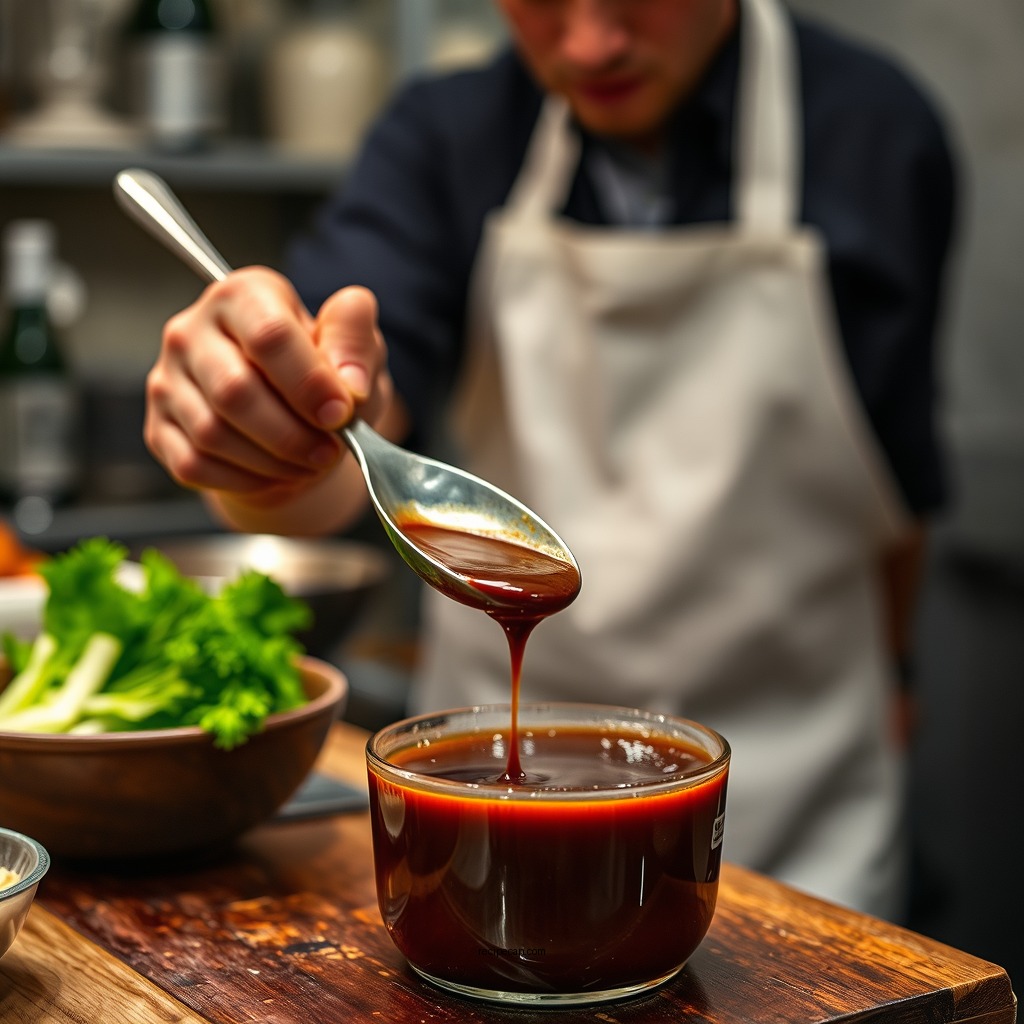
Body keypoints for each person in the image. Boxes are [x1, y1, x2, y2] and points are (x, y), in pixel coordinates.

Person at [144, 0, 957, 921]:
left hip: (801, 812)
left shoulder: (875, 131)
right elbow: (349, 402)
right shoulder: (447, 134)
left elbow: (895, 475)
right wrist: (270, 440)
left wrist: (898, 672)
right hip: (492, 798)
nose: (589, 44)